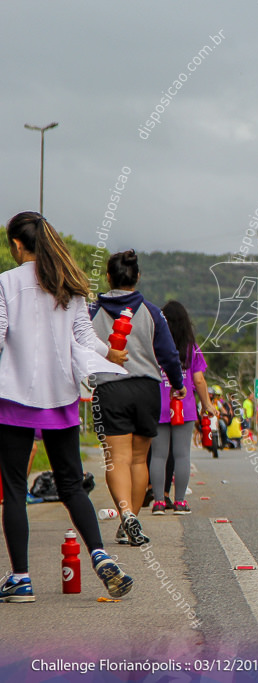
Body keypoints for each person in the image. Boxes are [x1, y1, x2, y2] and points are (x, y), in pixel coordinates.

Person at [0, 212, 133, 600]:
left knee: (14, 488)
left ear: (17, 245)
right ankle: (100, 555)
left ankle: (21, 578)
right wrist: (111, 353)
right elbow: (84, 338)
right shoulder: (69, 287)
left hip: (13, 399)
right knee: (72, 484)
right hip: (61, 398)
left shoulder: (6, 284)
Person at [90, 250, 185, 547]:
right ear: (138, 277)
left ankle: (126, 515)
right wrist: (178, 385)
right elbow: (169, 355)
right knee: (138, 459)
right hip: (147, 389)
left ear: (108, 278)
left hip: (110, 389)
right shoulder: (153, 312)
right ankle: (133, 520)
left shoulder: (91, 312)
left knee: (116, 458)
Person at [150, 301, 217, 515]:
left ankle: (159, 502)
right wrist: (207, 405)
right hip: (184, 407)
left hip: (158, 405)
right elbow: (198, 379)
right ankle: (179, 502)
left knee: (158, 455)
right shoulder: (191, 347)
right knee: (182, 455)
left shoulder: (154, 345)